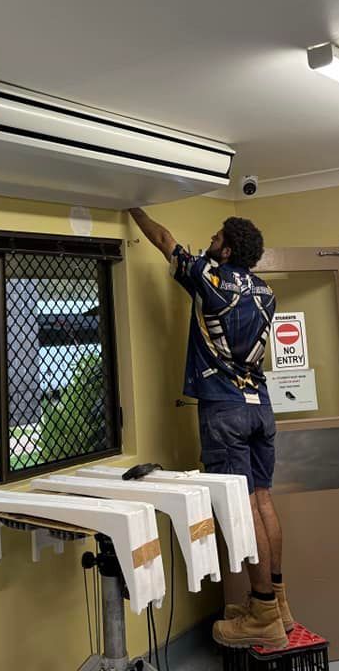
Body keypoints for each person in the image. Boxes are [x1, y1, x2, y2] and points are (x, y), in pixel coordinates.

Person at [128, 209, 294, 649]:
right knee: (262, 498)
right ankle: (279, 602)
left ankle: (262, 614)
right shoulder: (266, 292)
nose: (209, 241)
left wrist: (132, 207)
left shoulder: (210, 278)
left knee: (241, 505)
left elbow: (164, 238)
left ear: (228, 248)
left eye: (216, 237)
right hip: (261, 408)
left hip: (225, 409)